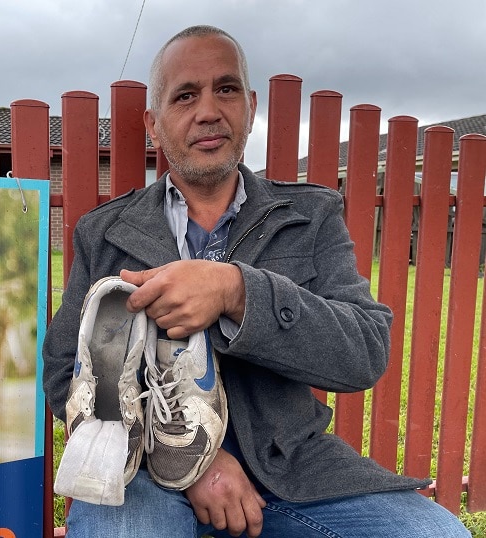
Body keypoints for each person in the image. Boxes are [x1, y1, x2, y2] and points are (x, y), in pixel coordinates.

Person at [42, 25, 471, 537]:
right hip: (145, 473)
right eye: (185, 96)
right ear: (153, 125)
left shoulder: (310, 216)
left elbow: (365, 348)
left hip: (295, 473)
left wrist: (237, 293)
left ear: (249, 105)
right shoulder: (105, 232)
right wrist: (195, 461)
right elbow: (63, 370)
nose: (207, 111)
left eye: (225, 89)